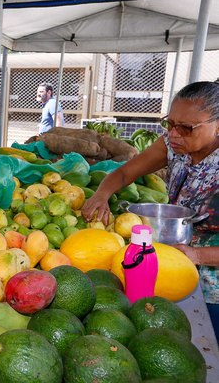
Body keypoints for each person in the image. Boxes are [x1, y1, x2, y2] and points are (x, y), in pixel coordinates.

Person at [81, 81, 219, 335]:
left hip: (212, 287)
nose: (174, 133)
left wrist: (198, 256)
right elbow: (124, 173)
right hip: (168, 264)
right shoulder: (173, 145)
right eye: (170, 123)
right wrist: (101, 194)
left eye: (186, 128)